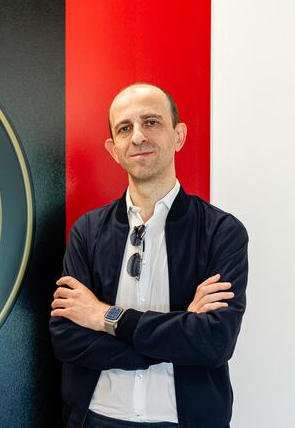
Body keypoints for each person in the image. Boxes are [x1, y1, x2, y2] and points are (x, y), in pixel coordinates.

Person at [50, 83, 248, 428]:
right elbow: (67, 340)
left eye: (152, 122)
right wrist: (179, 332)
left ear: (179, 135)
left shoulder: (221, 231)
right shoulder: (87, 231)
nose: (138, 136)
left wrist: (103, 317)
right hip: (97, 419)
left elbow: (215, 342)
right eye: (125, 128)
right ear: (114, 149)